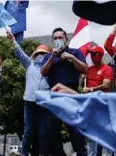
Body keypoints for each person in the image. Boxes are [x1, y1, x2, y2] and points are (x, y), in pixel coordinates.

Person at [41, 27, 88, 156]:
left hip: (70, 94)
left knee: (75, 129)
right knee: (52, 129)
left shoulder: (75, 52)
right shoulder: (48, 56)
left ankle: (81, 153)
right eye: (55, 38)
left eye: (60, 37)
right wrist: (52, 57)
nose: (58, 40)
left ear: (66, 40)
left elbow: (85, 69)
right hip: (54, 94)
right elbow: (43, 72)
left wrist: (71, 58)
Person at [6, 31, 51, 156]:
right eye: (39, 53)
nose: (41, 55)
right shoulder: (29, 64)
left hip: (43, 102)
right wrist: (12, 39)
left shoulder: (50, 67)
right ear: (35, 55)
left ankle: (43, 154)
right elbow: (19, 52)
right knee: (28, 131)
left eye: (44, 53)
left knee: (43, 131)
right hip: (29, 102)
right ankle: (24, 153)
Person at [82, 45, 113, 156]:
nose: (91, 56)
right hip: (91, 105)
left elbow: (106, 84)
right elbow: (83, 86)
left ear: (100, 56)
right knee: (91, 134)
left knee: (105, 133)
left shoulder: (107, 69)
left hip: (102, 105)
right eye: (90, 54)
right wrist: (83, 80)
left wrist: (91, 89)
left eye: (94, 54)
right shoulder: (88, 70)